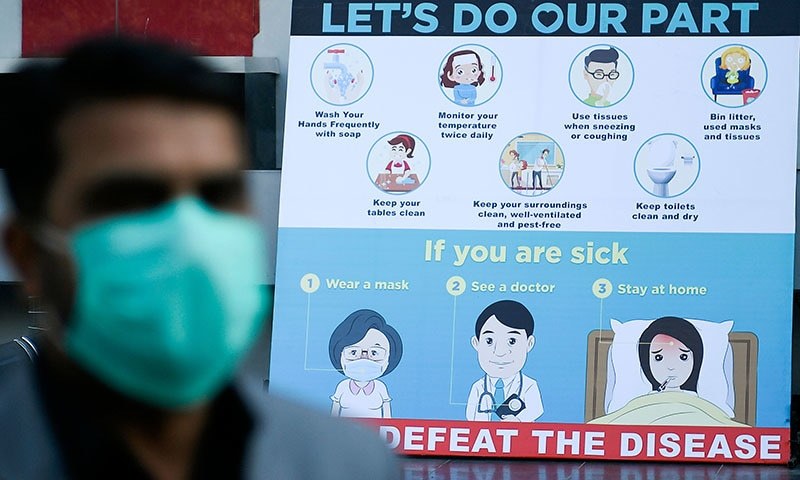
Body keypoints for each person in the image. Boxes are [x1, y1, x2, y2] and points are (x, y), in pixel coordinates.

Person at [0, 36, 399, 479]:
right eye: (133, 199)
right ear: (29, 253)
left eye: (217, 194)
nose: (188, 235)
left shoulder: (345, 462)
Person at [465, 300, 544, 422]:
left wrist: (518, 420)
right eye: (489, 341)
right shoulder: (478, 387)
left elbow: (536, 409)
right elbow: (470, 416)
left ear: (529, 344)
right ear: (476, 344)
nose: (500, 352)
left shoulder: (529, 385)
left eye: (512, 341)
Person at [329, 309, 403, 418]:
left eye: (374, 352)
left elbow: (387, 414)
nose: (364, 358)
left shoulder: (380, 388)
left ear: (389, 358)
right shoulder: (342, 387)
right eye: (353, 352)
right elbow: (334, 414)